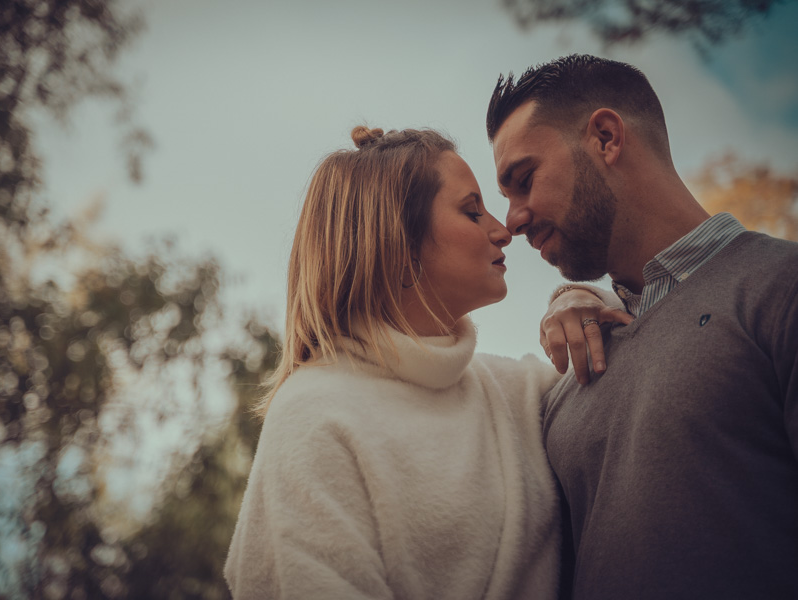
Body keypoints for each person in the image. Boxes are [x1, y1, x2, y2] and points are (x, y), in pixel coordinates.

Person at [224, 126, 627, 599]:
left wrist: (576, 298)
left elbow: (642, 340)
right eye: (472, 211)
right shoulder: (315, 414)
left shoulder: (515, 391)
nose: (503, 230)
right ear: (397, 242)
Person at [486, 53, 798, 599]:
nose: (511, 219)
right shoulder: (574, 369)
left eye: (523, 179)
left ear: (606, 137)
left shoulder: (780, 287)